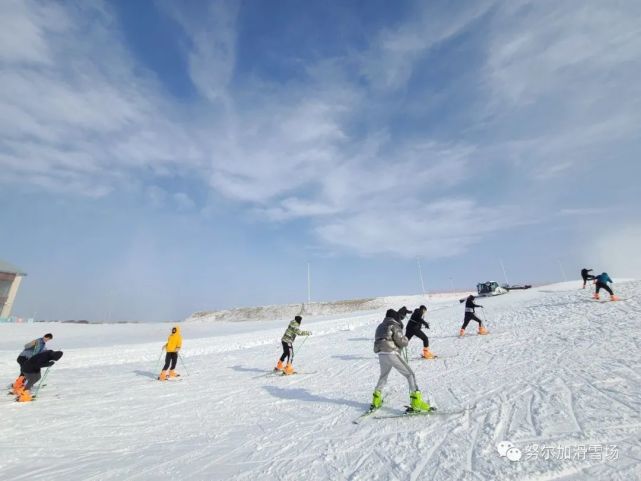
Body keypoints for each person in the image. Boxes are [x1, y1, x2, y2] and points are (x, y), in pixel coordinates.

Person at [369, 309, 431, 413]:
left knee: (383, 376)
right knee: (410, 374)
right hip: (391, 353)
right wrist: (405, 340)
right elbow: (401, 341)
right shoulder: (394, 325)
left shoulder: (380, 326)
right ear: (394, 317)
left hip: (381, 354)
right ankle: (416, 403)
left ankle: (376, 399)